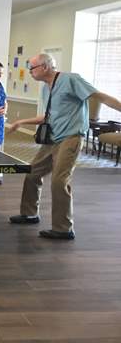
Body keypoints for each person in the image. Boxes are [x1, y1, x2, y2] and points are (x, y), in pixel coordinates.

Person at [8, 53, 121, 240]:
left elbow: (101, 97)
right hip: (53, 138)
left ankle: (63, 228)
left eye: (32, 68)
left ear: (45, 67)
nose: (30, 72)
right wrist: (22, 121)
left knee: (59, 180)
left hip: (71, 138)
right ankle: (29, 214)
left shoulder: (71, 80)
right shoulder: (45, 89)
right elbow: (49, 117)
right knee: (32, 173)